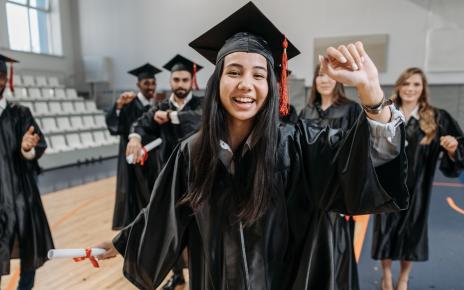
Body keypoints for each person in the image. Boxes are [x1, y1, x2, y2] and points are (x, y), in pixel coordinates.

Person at [96, 2, 408, 289]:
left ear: (272, 87)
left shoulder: (300, 146)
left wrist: (371, 92)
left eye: (259, 75)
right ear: (217, 82)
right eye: (234, 72)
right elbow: (165, 208)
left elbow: (365, 161)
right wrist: (123, 242)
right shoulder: (193, 152)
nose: (246, 84)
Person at [371, 67, 464, 290]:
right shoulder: (387, 112)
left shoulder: (437, 117)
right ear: (399, 86)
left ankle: (403, 278)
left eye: (416, 84)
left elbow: (459, 145)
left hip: (418, 188)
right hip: (387, 186)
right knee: (385, 231)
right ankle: (386, 275)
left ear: (423, 89)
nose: (410, 88)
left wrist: (452, 148)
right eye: (406, 84)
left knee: (412, 232)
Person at [126, 55, 203, 290]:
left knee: (199, 232)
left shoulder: (201, 104)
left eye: (184, 79)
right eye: (176, 79)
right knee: (170, 230)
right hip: (169, 179)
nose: (180, 84)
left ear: (192, 81)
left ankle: (200, 279)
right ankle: (177, 274)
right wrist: (135, 138)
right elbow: (140, 124)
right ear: (170, 81)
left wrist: (173, 117)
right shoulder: (161, 106)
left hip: (199, 179)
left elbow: (201, 121)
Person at [0, 54, 54, 290]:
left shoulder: (21, 113)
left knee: (30, 253)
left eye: (0, 76)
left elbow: (38, 143)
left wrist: (27, 149)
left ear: (7, 78)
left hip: (24, 197)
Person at [299, 64, 362, 290]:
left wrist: (349, 194)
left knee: (336, 244)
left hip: (337, 191)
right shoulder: (307, 111)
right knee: (310, 245)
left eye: (328, 75)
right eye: (319, 75)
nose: (324, 80)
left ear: (338, 79)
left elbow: (357, 155)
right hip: (309, 193)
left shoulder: (351, 109)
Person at [106, 63, 162, 230]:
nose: (150, 87)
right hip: (132, 161)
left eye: (153, 83)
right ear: (138, 85)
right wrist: (117, 106)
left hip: (151, 160)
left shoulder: (155, 106)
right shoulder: (129, 104)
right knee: (134, 197)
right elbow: (114, 127)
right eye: (146, 83)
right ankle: (135, 231)